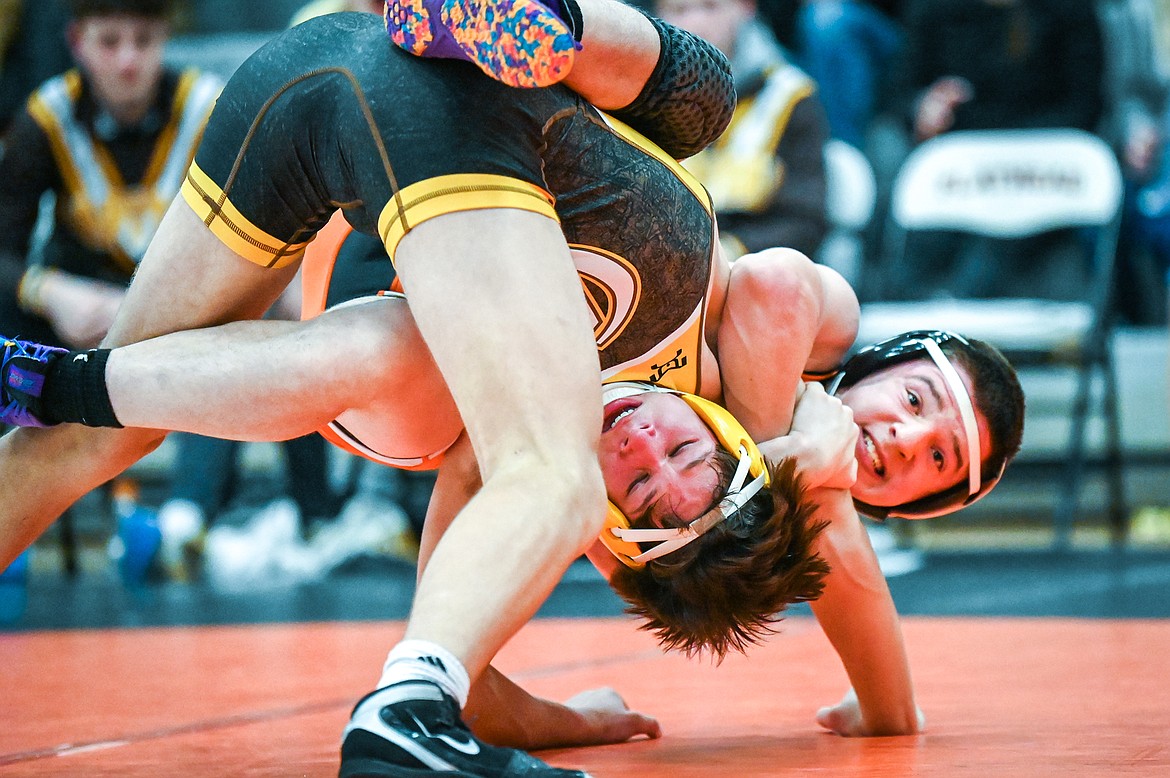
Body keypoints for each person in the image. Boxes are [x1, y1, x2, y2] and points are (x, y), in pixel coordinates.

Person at [0, 4, 1019, 774]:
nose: (647, 448)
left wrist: (570, 719)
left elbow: (469, 625)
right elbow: (777, 310)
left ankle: (68, 379)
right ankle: (555, 23)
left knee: (452, 406)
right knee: (695, 101)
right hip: (467, 110)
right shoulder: (781, 347)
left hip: (355, 144)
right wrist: (785, 466)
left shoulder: (559, 461)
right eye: (923, 411)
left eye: (929, 470)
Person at [653, 0, 830, 260]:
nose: (694, 24)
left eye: (709, 7)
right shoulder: (637, 100)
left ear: (745, 7)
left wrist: (724, 255)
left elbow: (805, 222)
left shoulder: (791, 96)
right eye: (679, 10)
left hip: (752, 270)